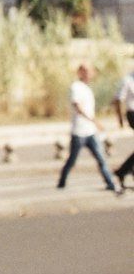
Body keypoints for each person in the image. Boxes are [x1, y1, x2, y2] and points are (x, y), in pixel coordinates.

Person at [57, 62, 119, 193]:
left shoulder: (87, 88)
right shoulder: (76, 87)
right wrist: (95, 121)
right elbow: (77, 107)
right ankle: (61, 182)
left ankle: (110, 183)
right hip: (79, 132)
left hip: (90, 132)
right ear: (81, 72)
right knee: (72, 161)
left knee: (101, 158)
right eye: (87, 72)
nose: (90, 75)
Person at [111, 56, 134, 190]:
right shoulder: (128, 80)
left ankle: (125, 169)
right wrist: (120, 120)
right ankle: (124, 169)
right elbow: (118, 99)